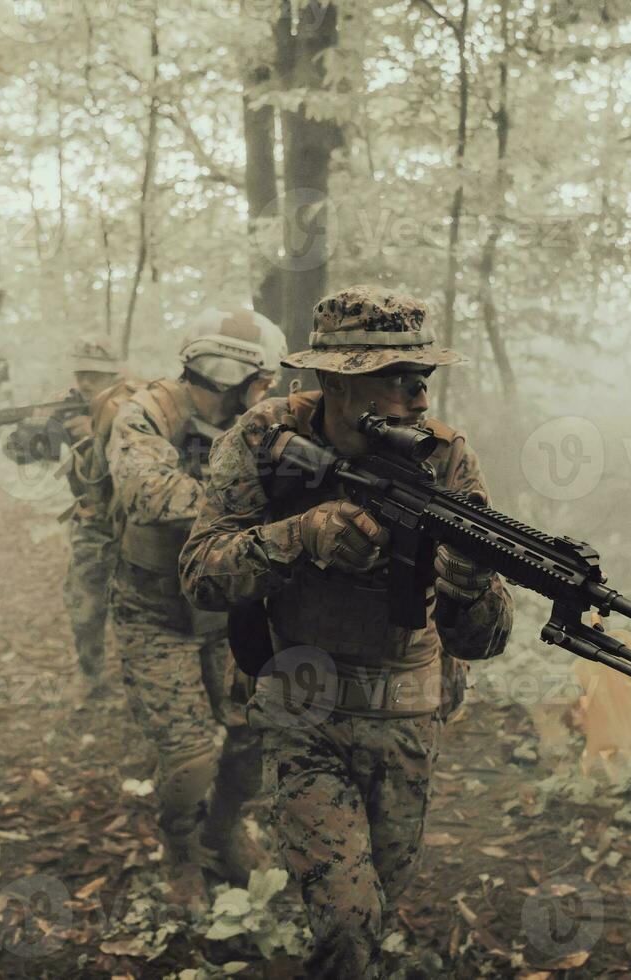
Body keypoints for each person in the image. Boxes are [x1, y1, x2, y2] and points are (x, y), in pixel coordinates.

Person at [179, 285, 514, 977]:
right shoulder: (267, 440)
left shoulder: (446, 462)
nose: (418, 399)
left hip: (406, 715)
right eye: (393, 378)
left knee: (376, 907)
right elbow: (203, 576)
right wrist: (300, 536)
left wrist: (471, 583)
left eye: (421, 378)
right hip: (305, 709)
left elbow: (481, 641)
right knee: (348, 926)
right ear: (334, 379)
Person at [99, 307, 287, 906]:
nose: (268, 395)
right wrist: (254, 510)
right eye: (261, 383)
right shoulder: (148, 412)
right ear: (234, 376)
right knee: (188, 757)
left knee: (252, 733)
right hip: (152, 612)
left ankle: (225, 833)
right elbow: (146, 491)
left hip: (226, 610)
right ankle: (179, 854)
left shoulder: (260, 424)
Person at [5, 336, 138, 698]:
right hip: (93, 521)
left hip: (138, 523)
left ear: (115, 373)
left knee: (141, 610)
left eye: (95, 375)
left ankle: (143, 680)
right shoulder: (68, 406)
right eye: (81, 373)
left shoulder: (141, 403)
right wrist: (36, 427)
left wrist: (98, 434)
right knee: (84, 602)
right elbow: (22, 456)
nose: (85, 382)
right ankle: (92, 674)